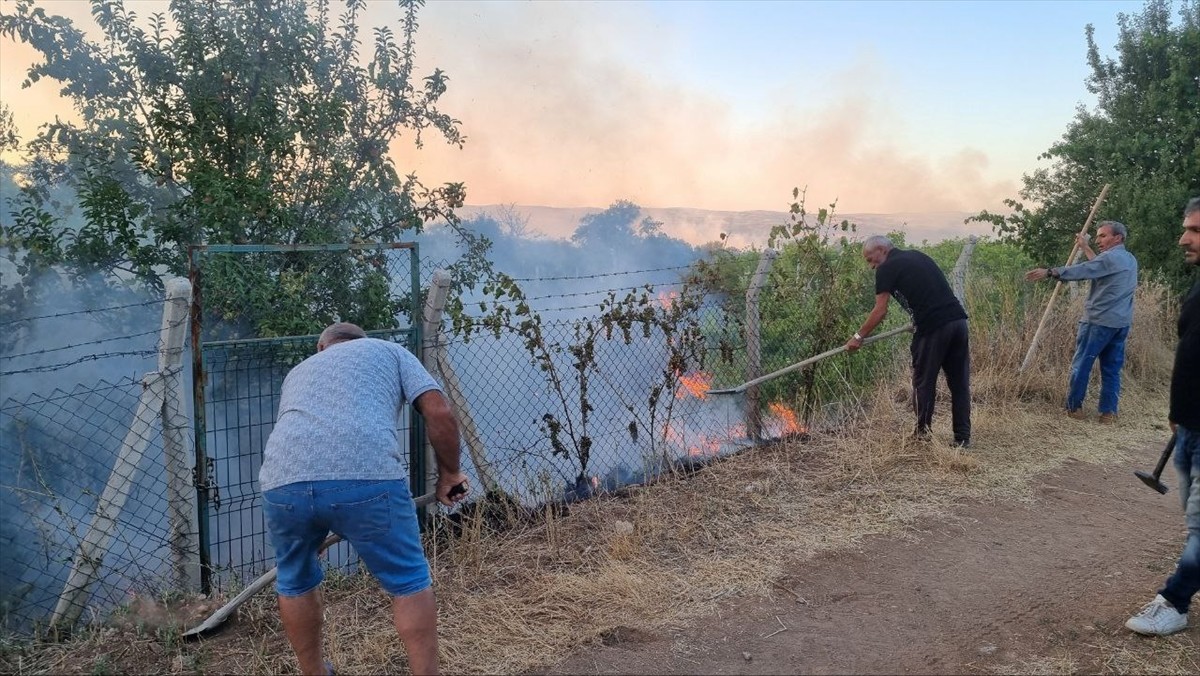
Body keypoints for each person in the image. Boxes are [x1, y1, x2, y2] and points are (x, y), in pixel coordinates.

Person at [258, 322, 469, 675]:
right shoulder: (390, 351)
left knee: (294, 580)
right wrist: (449, 473)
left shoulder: (299, 371)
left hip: (283, 482)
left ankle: (313, 673)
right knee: (409, 583)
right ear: (360, 342)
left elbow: (306, 436)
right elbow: (439, 412)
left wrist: (313, 520)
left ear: (321, 346)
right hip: (367, 476)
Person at [1124, 197, 1200, 636]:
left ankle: (1174, 602)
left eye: (1193, 230)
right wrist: (1179, 411)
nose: (1182, 238)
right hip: (1190, 426)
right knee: (1194, 519)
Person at [846, 235, 971, 447]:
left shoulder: (887, 268)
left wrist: (858, 337)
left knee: (924, 382)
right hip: (958, 322)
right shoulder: (917, 255)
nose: (871, 266)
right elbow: (929, 291)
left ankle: (922, 435)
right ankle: (963, 439)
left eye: (870, 259)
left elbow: (880, 310)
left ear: (882, 250)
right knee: (959, 384)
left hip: (933, 328)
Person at [1024, 221, 1138, 422]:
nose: (1098, 240)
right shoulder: (1128, 259)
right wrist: (1085, 247)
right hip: (1120, 324)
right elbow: (1099, 267)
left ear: (1118, 237)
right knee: (1111, 369)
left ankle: (1074, 408)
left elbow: (1085, 270)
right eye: (1097, 236)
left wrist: (1050, 272)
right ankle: (1108, 413)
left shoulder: (1110, 258)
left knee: (1081, 365)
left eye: (1103, 236)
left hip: (1098, 322)